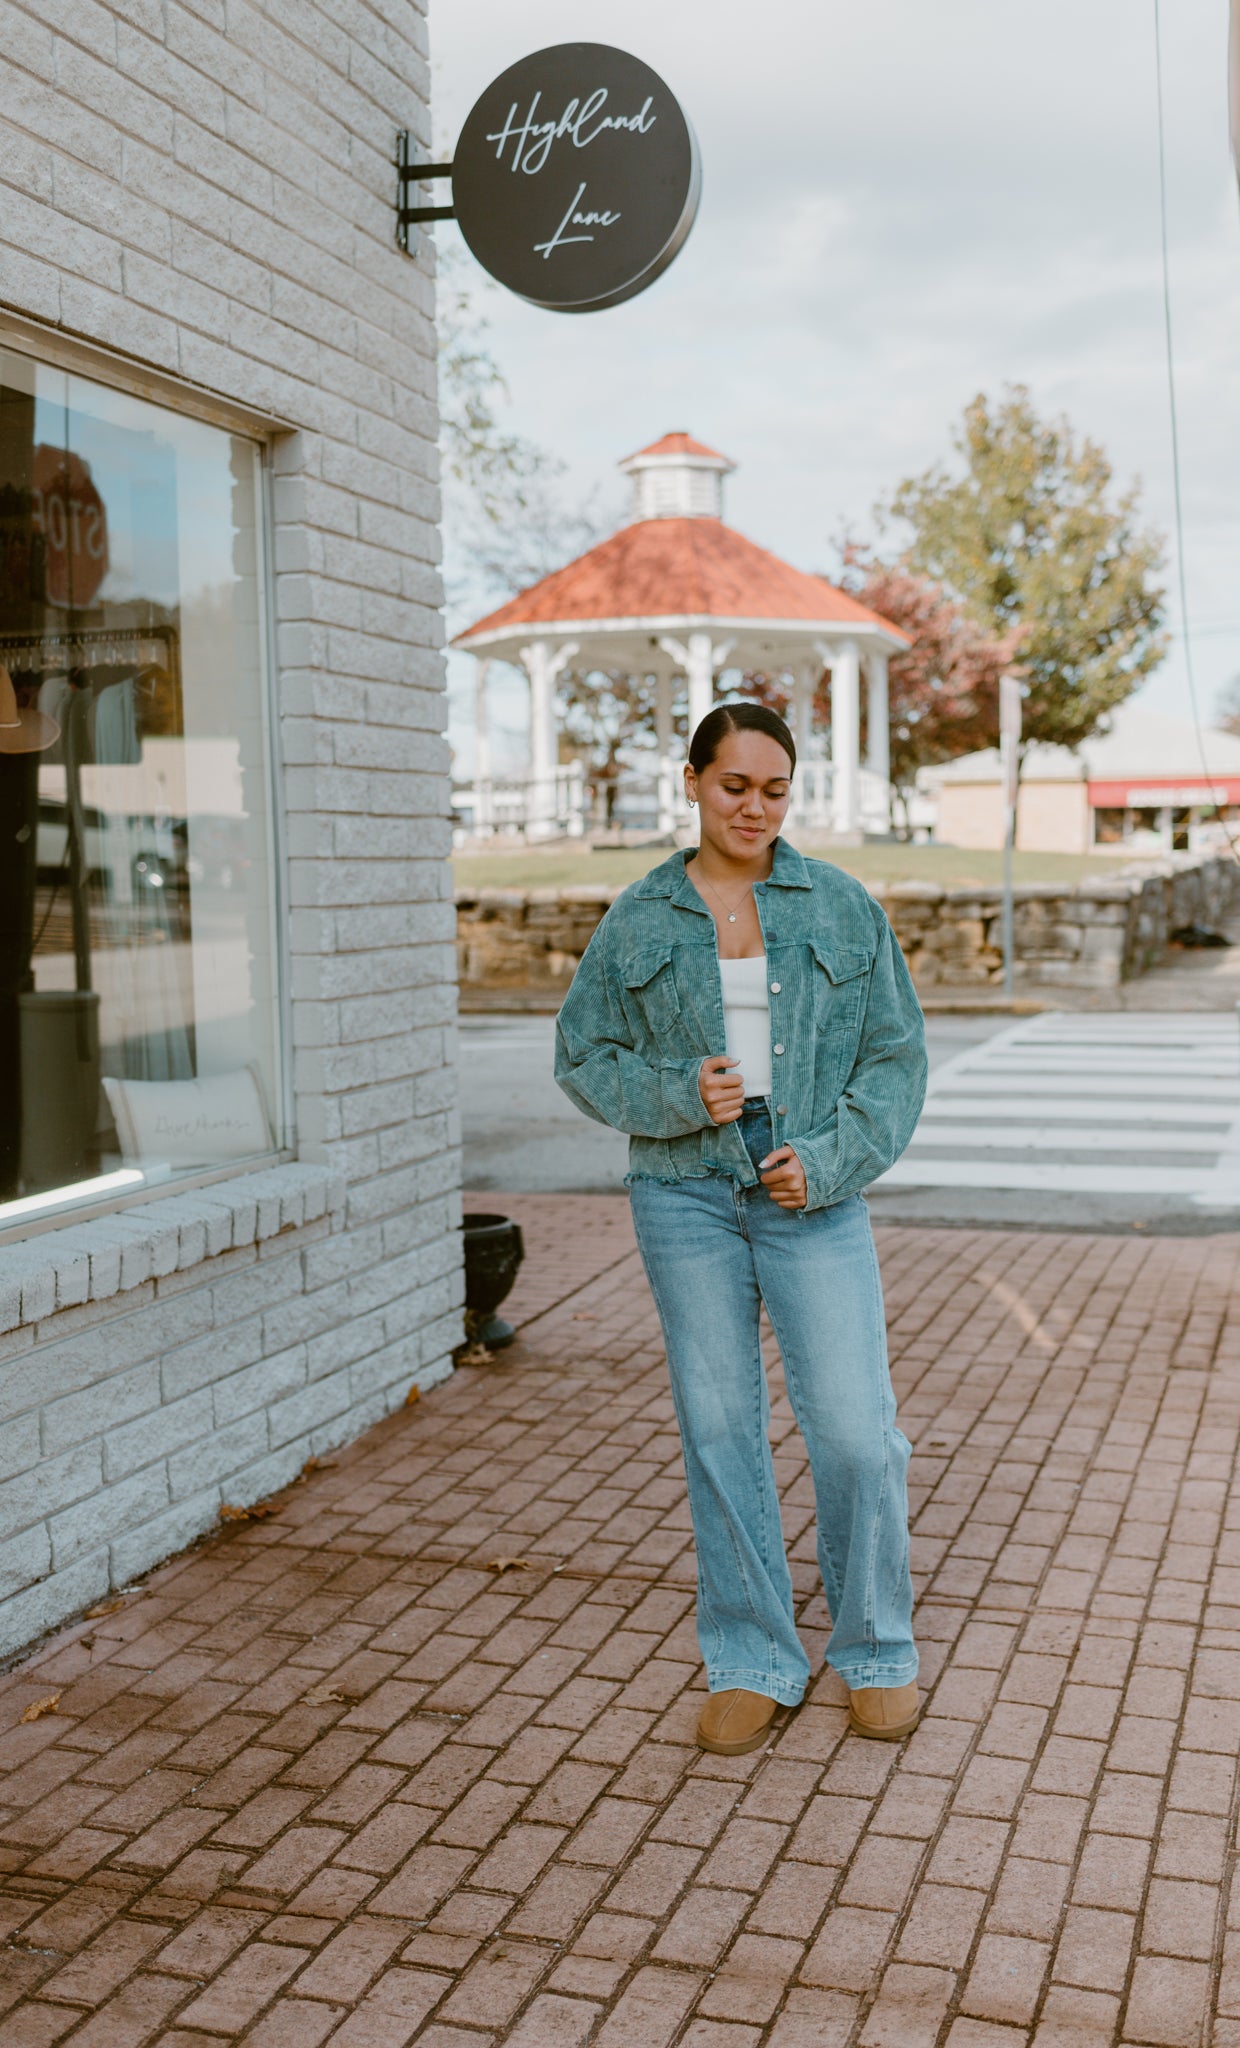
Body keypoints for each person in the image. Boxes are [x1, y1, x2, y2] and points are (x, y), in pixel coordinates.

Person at [554, 702, 928, 1752]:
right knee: (721, 1431)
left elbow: (895, 1063)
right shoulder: (638, 916)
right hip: (684, 1198)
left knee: (856, 1429)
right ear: (691, 781)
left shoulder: (844, 908)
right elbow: (581, 1056)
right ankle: (753, 1652)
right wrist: (680, 1091)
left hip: (813, 1196)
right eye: (734, 786)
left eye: (773, 789)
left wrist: (829, 1158)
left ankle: (875, 1645)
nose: (754, 806)